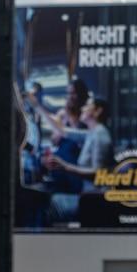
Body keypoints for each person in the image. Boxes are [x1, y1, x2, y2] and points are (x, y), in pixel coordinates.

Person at [41, 96, 114, 225]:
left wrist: (66, 167)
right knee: (53, 198)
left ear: (97, 111)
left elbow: (99, 174)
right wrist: (36, 105)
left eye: (87, 105)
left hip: (94, 201)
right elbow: (62, 131)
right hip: (88, 196)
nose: (82, 108)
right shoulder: (92, 133)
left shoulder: (100, 135)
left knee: (50, 205)